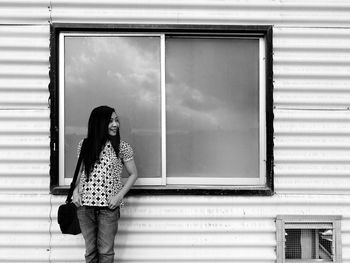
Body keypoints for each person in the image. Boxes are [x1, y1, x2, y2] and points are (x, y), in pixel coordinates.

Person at [72, 105, 138, 263]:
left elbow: (134, 174)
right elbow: (79, 173)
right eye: (110, 121)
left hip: (109, 208)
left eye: (116, 120)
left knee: (106, 252)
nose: (115, 124)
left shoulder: (122, 147)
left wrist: (119, 197)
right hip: (85, 207)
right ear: (99, 123)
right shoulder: (84, 145)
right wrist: (75, 192)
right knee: (90, 252)